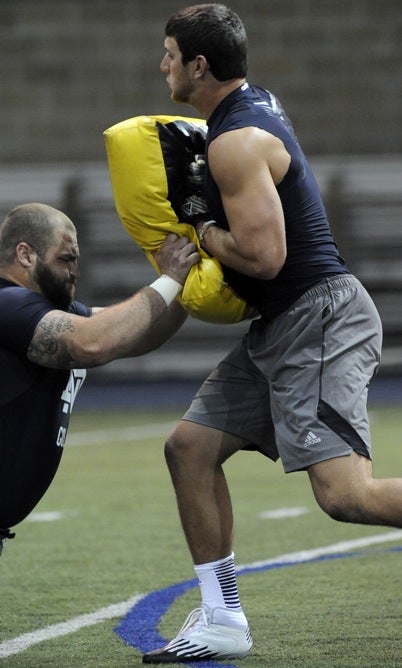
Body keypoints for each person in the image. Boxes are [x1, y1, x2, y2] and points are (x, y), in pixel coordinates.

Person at [141, 4, 402, 664]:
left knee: (346, 496)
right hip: (283, 324)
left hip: (319, 316)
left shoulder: (233, 140)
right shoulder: (243, 113)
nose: (161, 64)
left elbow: (265, 258)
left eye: (170, 54)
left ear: (200, 66)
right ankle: (223, 619)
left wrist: (200, 230)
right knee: (189, 449)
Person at [0, 202, 199, 555]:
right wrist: (169, 279)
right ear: (25, 254)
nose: (75, 270)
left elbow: (140, 334)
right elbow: (92, 343)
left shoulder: (51, 310)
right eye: (65, 258)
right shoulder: (7, 302)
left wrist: (190, 285)